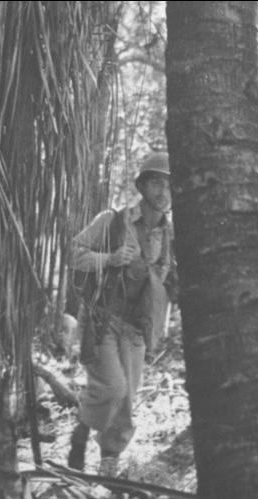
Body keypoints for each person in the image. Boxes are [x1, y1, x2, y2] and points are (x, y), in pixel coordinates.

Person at [67, 151, 175, 476]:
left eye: (170, 186)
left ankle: (107, 464)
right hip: (103, 319)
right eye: (157, 183)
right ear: (143, 186)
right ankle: (82, 432)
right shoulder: (113, 220)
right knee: (113, 389)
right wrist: (110, 259)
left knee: (127, 399)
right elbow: (75, 253)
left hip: (137, 325)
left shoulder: (172, 236)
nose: (163, 193)